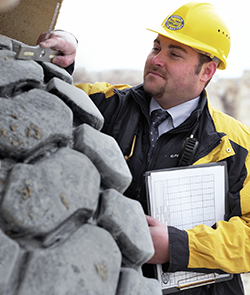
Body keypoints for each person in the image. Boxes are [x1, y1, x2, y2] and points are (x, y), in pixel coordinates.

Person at [38, 2, 250, 294]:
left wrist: (177, 246)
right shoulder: (105, 105)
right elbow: (42, 97)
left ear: (207, 71)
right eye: (156, 47)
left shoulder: (237, 144)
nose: (157, 60)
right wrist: (63, 53)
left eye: (174, 54)